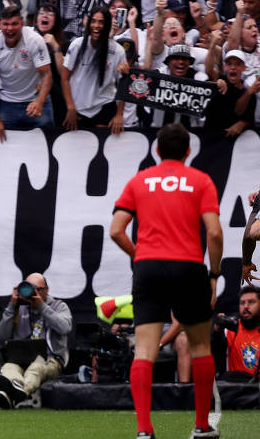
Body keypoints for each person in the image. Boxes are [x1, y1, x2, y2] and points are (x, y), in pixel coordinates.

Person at [110, 123, 223, 439]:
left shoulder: (140, 181)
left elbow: (116, 229)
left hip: (149, 267)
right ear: (189, 151)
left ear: (157, 151)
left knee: (144, 350)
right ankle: (201, 426)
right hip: (188, 267)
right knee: (201, 346)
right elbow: (214, 232)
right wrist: (213, 274)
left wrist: (139, 255)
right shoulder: (201, 181)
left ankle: (144, 431)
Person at [0, 272, 73, 409]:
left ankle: (15, 394)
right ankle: (16, 391)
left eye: (37, 288)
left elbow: (65, 328)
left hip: (50, 359)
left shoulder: (58, 306)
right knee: (8, 367)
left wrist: (42, 306)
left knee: (36, 368)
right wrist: (12, 306)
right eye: (28, 287)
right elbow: (2, 334)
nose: (31, 292)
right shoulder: (18, 307)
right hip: (20, 359)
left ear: (46, 290)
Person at [0, 5, 52, 137]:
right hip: (7, 103)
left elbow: (46, 74)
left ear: (22, 23)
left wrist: (40, 101)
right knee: (7, 151)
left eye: (14, 24)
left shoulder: (35, 40)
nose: (10, 29)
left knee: (46, 145)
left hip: (36, 101)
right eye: (6, 24)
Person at [61, 7, 126, 132]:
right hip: (77, 107)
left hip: (104, 106)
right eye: (93, 21)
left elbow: (123, 83)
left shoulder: (118, 51)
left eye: (101, 22)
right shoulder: (77, 45)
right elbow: (64, 78)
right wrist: (70, 108)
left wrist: (119, 114)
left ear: (107, 25)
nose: (96, 25)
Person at [218, 286, 260, 376]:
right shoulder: (230, 329)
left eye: (251, 302)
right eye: (242, 303)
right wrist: (216, 331)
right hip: (234, 387)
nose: (246, 306)